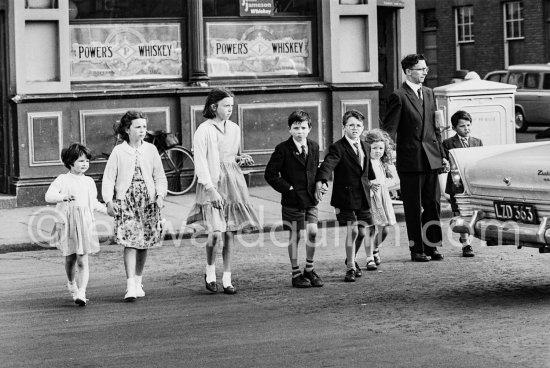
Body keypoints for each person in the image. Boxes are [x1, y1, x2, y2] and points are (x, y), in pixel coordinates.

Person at [186, 88, 260, 295]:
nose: (230, 110)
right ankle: (210, 271)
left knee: (230, 234)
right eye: (226, 106)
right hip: (212, 184)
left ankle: (227, 278)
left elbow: (228, 156)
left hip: (233, 182)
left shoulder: (234, 128)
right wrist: (210, 190)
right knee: (216, 234)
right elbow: (201, 163)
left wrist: (239, 159)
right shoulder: (203, 130)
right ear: (213, 107)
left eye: (231, 106)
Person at [382, 53, 449, 262]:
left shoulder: (429, 93)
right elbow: (389, 131)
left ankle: (432, 246)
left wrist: (442, 155)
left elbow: (436, 129)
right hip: (411, 161)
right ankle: (416, 249)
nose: (425, 72)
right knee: (413, 207)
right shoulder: (398, 96)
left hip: (431, 159)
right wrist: (385, 158)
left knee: (433, 204)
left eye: (425, 68)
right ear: (409, 71)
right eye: (421, 69)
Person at [102, 110, 167, 302]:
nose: (142, 131)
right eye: (137, 127)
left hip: (147, 201)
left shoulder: (151, 150)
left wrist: (160, 195)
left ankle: (138, 281)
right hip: (126, 201)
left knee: (143, 243)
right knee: (130, 243)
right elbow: (108, 178)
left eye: (144, 127)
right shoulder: (119, 151)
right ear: (127, 129)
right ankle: (130, 285)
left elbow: (159, 176)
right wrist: (109, 200)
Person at [264, 110, 324, 288]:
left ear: (310, 128)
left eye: (303, 127)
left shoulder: (313, 146)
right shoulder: (282, 149)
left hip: (311, 199)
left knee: (313, 231)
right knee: (295, 235)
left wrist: (321, 182)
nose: (300, 131)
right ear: (289, 129)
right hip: (292, 200)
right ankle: (296, 272)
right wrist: (288, 188)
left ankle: (310, 269)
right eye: (296, 128)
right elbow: (270, 174)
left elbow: (315, 169)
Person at [315, 110, 376, 282]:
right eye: (351, 125)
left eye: (358, 125)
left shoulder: (366, 146)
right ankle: (350, 267)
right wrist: (322, 180)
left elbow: (367, 170)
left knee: (363, 232)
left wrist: (373, 182)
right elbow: (328, 164)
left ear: (363, 127)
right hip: (345, 196)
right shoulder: (338, 147)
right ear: (344, 128)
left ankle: (352, 258)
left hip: (363, 195)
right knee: (353, 230)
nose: (355, 128)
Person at [45, 143, 107, 306]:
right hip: (67, 223)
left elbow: (93, 203)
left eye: (87, 161)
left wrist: (109, 211)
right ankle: (72, 283)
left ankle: (82, 291)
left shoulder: (89, 181)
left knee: (82, 259)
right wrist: (63, 197)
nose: (85, 164)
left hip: (85, 224)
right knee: (70, 258)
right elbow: (49, 196)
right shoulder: (63, 179)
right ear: (70, 162)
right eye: (80, 161)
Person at [443, 110, 483, 257]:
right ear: (454, 128)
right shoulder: (448, 143)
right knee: (460, 213)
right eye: (462, 126)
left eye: (468, 125)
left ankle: (467, 238)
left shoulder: (477, 142)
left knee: (471, 213)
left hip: (472, 184)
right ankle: (466, 244)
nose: (466, 128)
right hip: (457, 185)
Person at [364, 128, 399, 268]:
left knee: (385, 229)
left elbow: (388, 180)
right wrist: (369, 186)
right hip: (371, 197)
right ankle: (369, 258)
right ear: (368, 147)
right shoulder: (366, 162)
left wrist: (390, 190)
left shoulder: (382, 163)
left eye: (381, 148)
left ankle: (375, 248)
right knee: (370, 228)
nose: (377, 151)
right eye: (374, 148)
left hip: (383, 196)